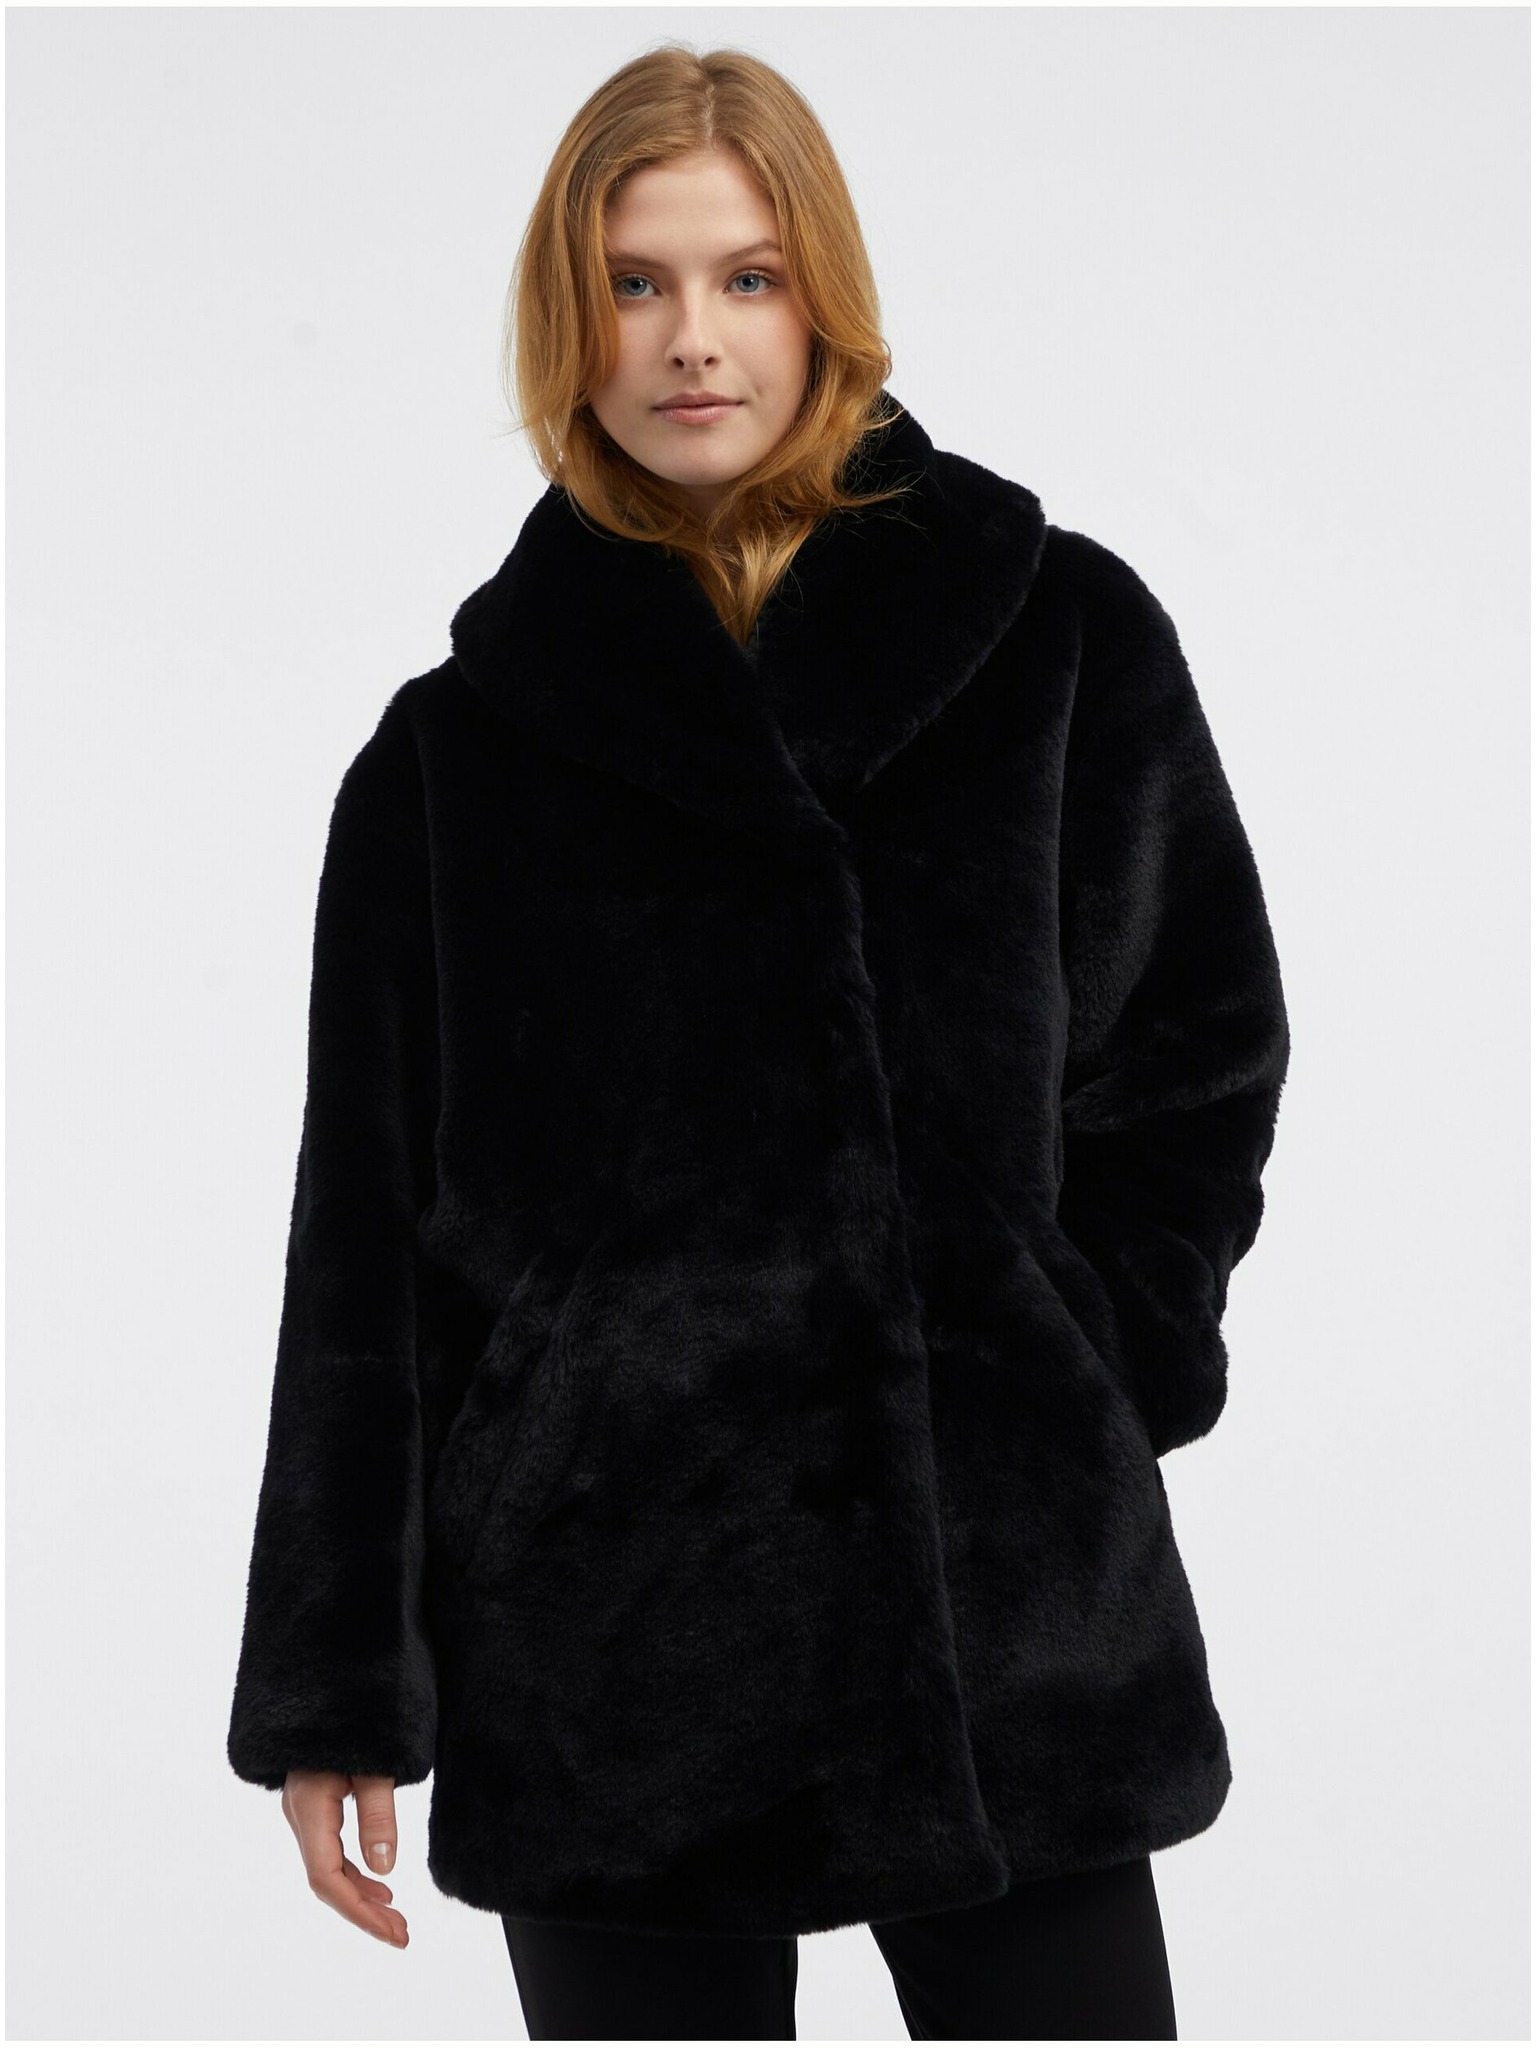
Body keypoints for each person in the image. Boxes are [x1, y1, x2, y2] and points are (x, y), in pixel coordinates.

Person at [226, 42, 1290, 2042]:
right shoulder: (453, 761)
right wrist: (337, 1683)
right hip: (609, 1631)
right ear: (571, 316)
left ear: (827, 299)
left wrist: (1082, 1359)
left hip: (1000, 1610)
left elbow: (1197, 1053)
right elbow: (359, 1248)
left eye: (746, 276)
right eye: (633, 282)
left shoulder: (1053, 639)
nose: (691, 339)